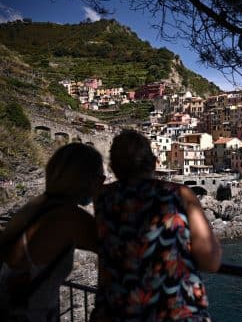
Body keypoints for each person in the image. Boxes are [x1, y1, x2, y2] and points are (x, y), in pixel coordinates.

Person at [93, 130, 221, 321]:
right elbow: (210, 261)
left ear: (113, 167)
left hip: (117, 312)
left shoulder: (102, 198)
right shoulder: (180, 194)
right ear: (154, 162)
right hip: (176, 312)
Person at [0, 143, 104, 321]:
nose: (102, 183)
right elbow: (117, 249)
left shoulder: (36, 206)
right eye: (100, 179)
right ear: (86, 180)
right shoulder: (69, 217)